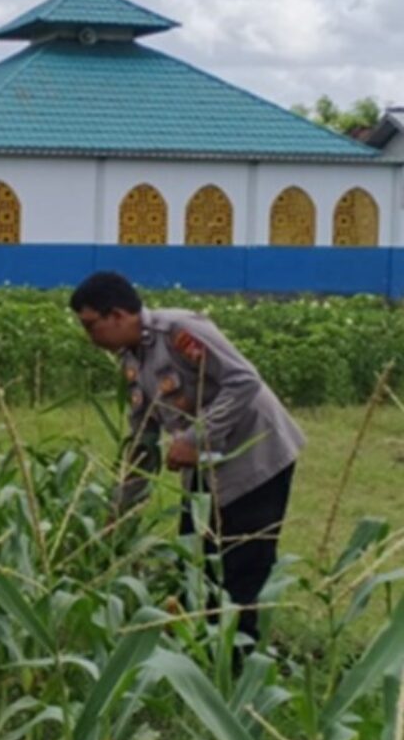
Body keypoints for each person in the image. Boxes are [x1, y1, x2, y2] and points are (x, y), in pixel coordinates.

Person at [69, 271, 304, 646]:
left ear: (116, 315)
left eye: (90, 325)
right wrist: (121, 509)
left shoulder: (178, 331)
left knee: (241, 566)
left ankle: (238, 665)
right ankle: (203, 652)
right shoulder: (133, 361)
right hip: (203, 466)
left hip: (255, 458)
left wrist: (195, 436)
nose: (89, 337)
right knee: (194, 562)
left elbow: (245, 380)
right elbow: (143, 439)